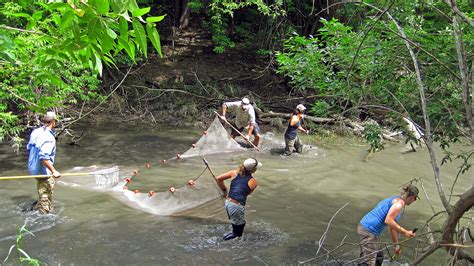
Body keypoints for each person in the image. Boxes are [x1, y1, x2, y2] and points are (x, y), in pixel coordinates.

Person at [357, 184, 419, 265]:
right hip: (368, 230)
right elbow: (388, 220)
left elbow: (392, 226)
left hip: (369, 230)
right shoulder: (399, 204)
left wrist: (396, 245)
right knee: (368, 263)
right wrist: (405, 232)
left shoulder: (395, 199)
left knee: (379, 256)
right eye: (415, 198)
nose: (415, 200)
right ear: (412, 197)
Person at [215, 158, 261, 240]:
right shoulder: (253, 182)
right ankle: (222, 241)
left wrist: (225, 190)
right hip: (236, 206)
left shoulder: (234, 173)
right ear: (254, 170)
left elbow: (218, 179)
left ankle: (230, 235)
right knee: (238, 232)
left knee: (236, 223)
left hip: (228, 202)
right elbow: (246, 194)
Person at [27, 112, 61, 214]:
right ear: (53, 122)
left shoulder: (36, 132)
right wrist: (54, 171)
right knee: (47, 189)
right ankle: (44, 213)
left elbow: (29, 148)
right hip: (42, 170)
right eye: (55, 121)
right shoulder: (49, 138)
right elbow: (44, 157)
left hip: (32, 168)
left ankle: (38, 205)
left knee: (42, 186)